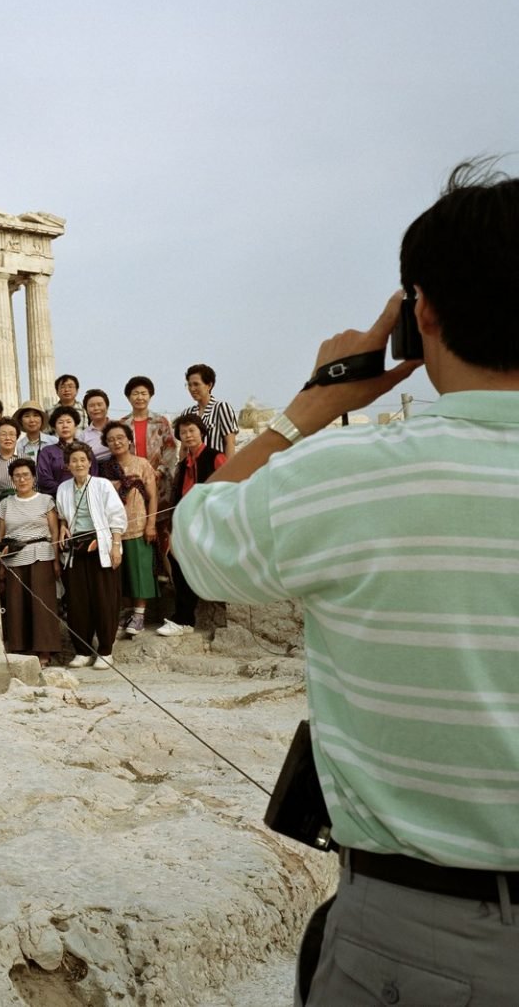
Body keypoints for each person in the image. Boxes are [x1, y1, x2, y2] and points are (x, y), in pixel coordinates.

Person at [171, 164, 519, 1006]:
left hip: (423, 936)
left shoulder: (347, 477)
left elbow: (196, 537)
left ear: (419, 315)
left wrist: (308, 409)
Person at [54, 443, 127, 668]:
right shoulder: (63, 488)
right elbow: (62, 514)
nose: (78, 464)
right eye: (74, 460)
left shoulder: (102, 485)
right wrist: (64, 526)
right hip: (77, 550)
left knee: (104, 599)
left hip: (102, 548)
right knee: (78, 602)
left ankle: (106, 650)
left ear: (90, 462)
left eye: (82, 460)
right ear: (68, 465)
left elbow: (117, 517)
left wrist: (115, 546)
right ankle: (82, 650)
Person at [159, 414, 225, 636]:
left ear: (201, 432)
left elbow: (226, 489)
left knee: (185, 562)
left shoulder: (215, 457)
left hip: (208, 523)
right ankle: (183, 618)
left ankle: (185, 618)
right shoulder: (184, 464)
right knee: (175, 559)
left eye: (191, 431)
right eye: (183, 432)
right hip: (186, 522)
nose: (188, 436)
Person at [0, 457, 62, 663]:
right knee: (16, 604)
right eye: (17, 476)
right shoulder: (5, 504)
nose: (22, 479)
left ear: (33, 477)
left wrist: (56, 560)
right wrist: (0, 563)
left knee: (42, 604)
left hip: (41, 554)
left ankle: (44, 650)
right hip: (14, 557)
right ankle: (20, 648)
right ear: (12, 479)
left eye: (26, 475)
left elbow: (54, 531)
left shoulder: (46, 500)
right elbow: (1, 535)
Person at [101, 422, 160, 637]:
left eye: (120, 437)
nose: (116, 442)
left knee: (140, 571)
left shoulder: (142, 464)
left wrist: (151, 524)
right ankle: (126, 612)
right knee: (121, 574)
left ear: (129, 440)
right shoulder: (104, 468)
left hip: (139, 525)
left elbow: (153, 496)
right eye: (111, 439)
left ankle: (139, 614)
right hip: (114, 530)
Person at [119, 376, 179, 553]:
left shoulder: (160, 421)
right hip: (133, 483)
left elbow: (170, 449)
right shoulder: (122, 424)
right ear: (128, 397)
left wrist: (159, 471)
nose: (139, 397)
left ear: (150, 396)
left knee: (161, 527)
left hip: (159, 482)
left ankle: (164, 573)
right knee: (137, 526)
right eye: (135, 393)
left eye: (144, 393)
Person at [180, 364, 238, 458]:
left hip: (217, 468)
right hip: (193, 469)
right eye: (189, 385)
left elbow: (230, 443)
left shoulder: (221, 408)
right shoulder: (187, 413)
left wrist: (227, 470)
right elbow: (183, 448)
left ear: (209, 385)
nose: (192, 389)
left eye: (196, 384)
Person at [36, 405, 84, 496]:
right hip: (57, 499)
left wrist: (81, 490)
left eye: (69, 422)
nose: (65, 425)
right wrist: (67, 491)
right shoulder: (47, 452)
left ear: (76, 426)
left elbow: (94, 475)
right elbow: (44, 480)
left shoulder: (85, 450)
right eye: (60, 422)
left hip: (85, 498)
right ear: (54, 428)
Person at [79, 389, 113, 463]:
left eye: (99, 404)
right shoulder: (83, 436)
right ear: (86, 409)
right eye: (91, 406)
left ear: (107, 406)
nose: (96, 408)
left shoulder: (118, 427)